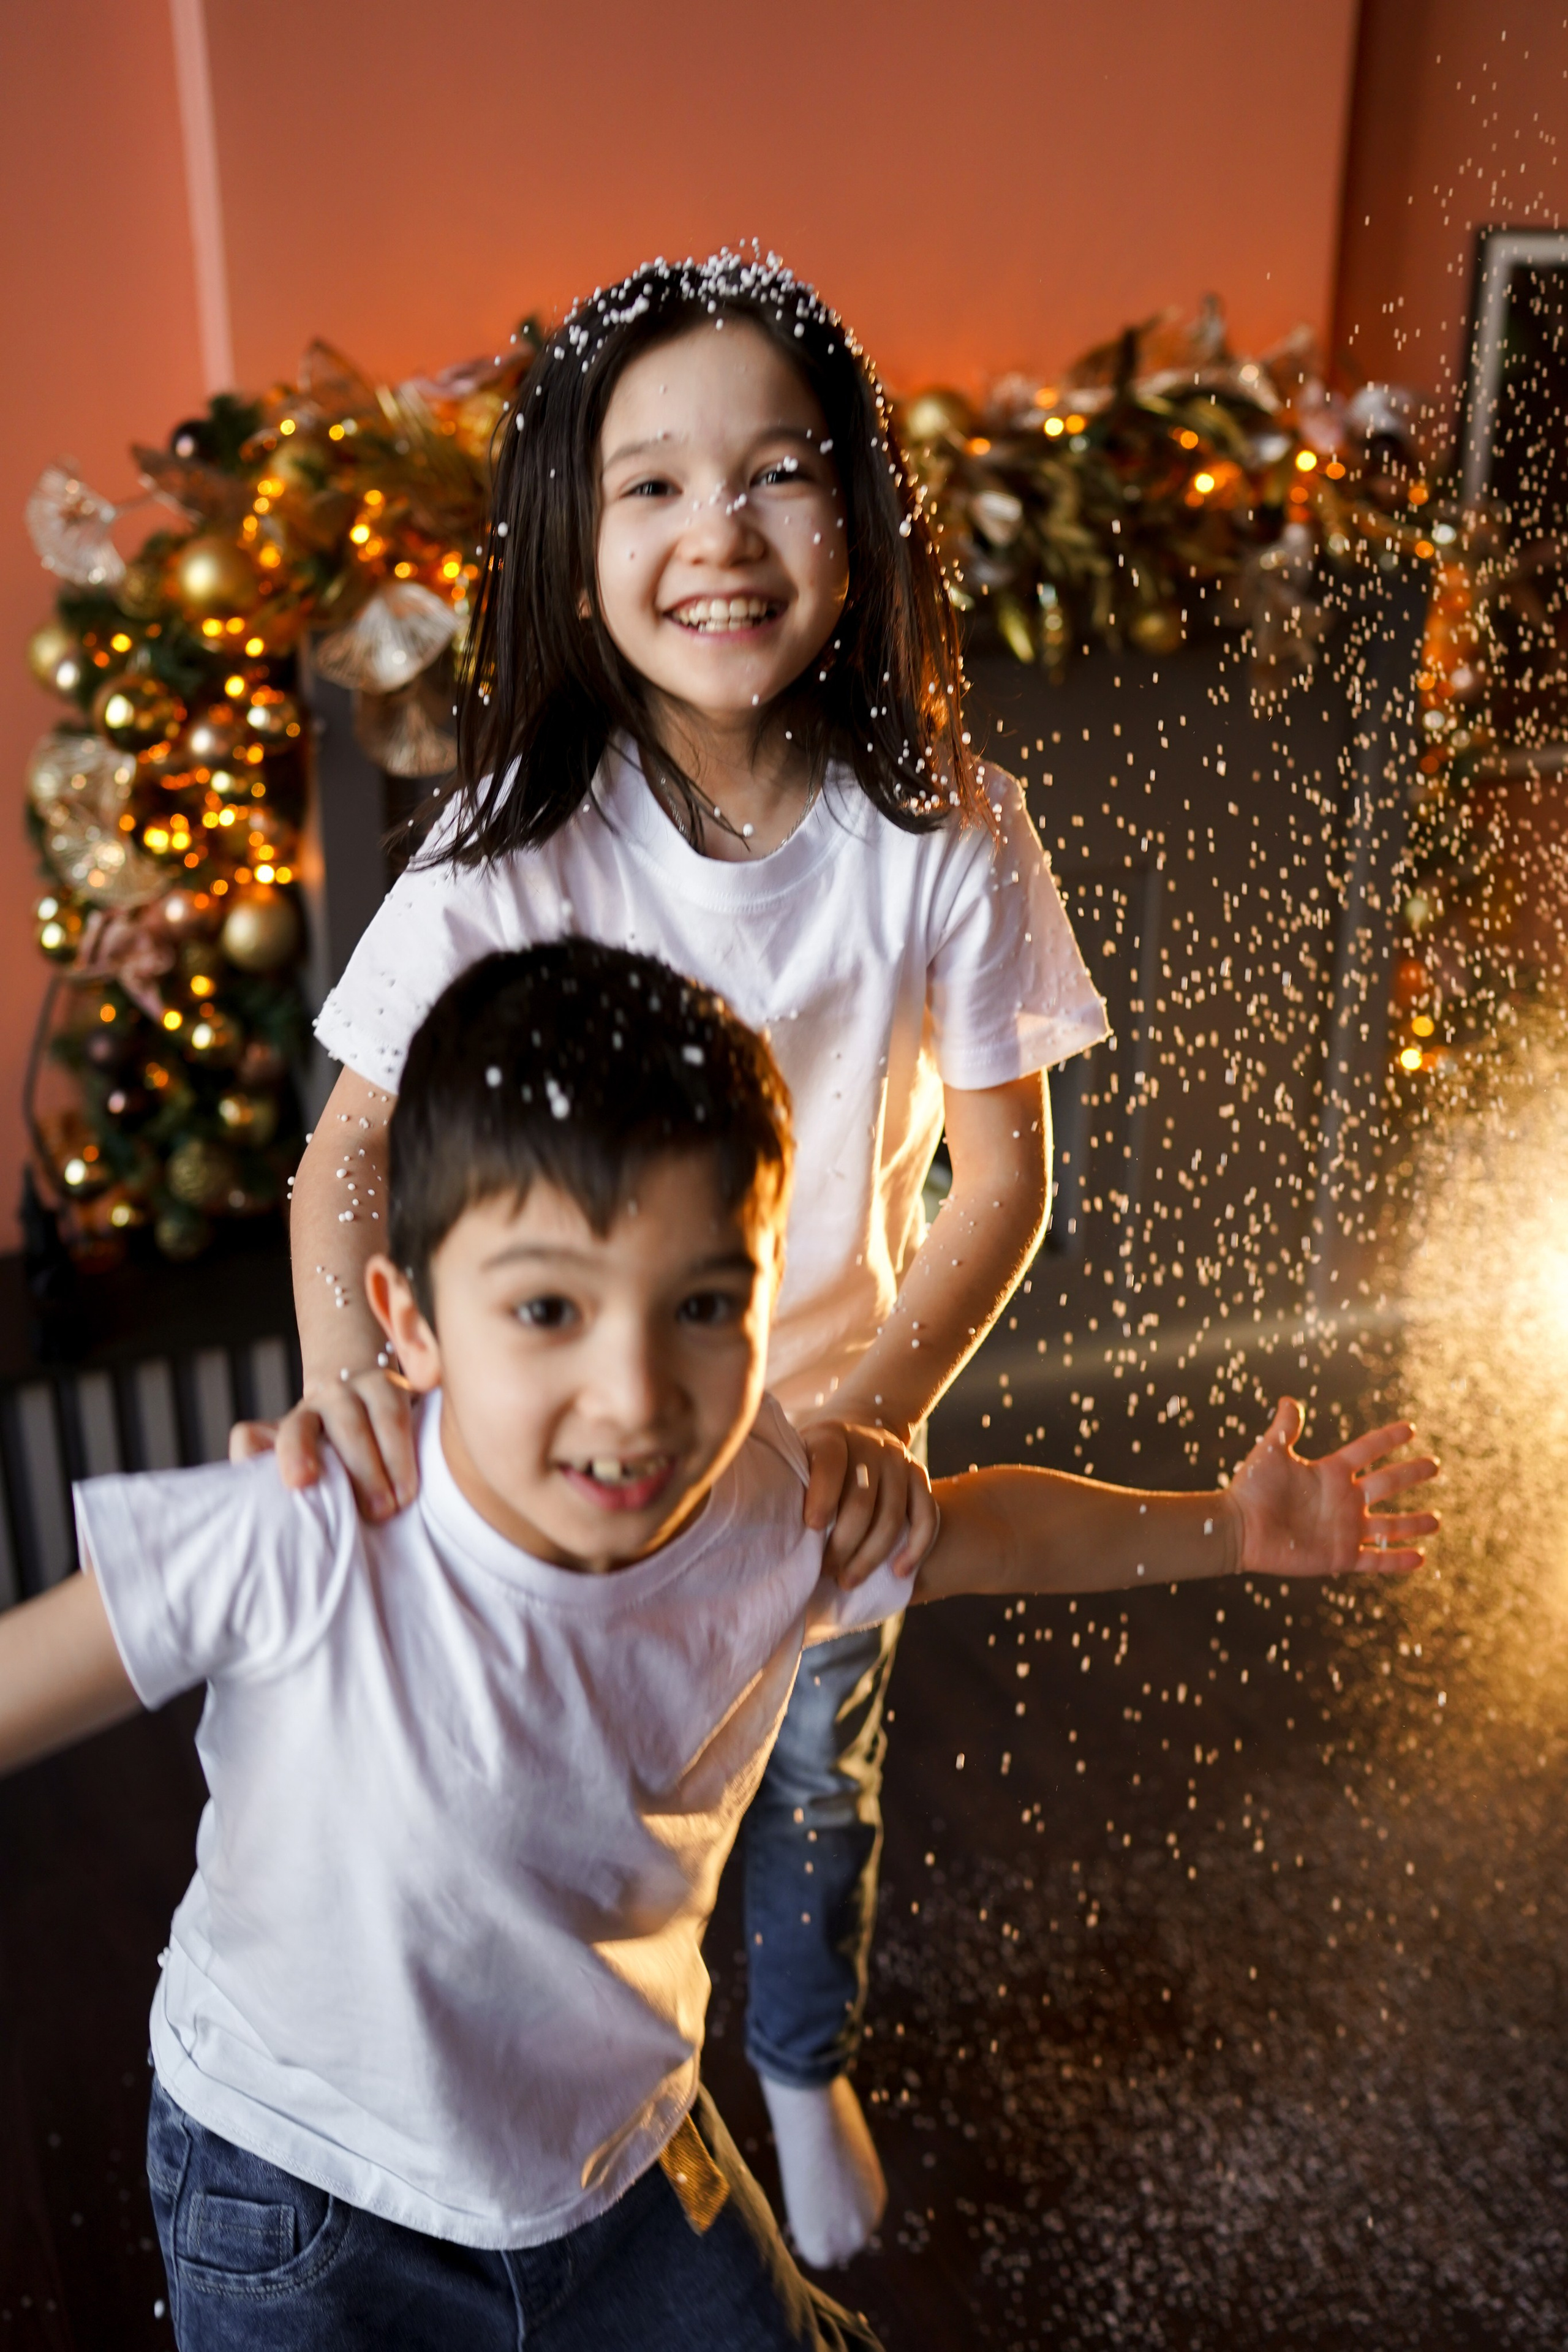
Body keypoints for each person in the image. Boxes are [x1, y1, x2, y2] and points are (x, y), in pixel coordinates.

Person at [1, 943, 1438, 2351]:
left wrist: (1230, 1527)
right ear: (411, 1322)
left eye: (701, 1306)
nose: (631, 1396)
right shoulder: (311, 1521)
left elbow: (983, 1536)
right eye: (546, 1309)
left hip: (612, 2152)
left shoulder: (761, 1504)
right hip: (303, 2189)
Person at [241, 250, 1109, 2263]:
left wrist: (859, 1427)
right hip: (544, 1473)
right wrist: (362, 1399)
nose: (717, 533)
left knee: (806, 1806)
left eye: (779, 475)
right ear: (575, 537)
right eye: (650, 486)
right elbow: (341, 1163)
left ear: (860, 522)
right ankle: (542, 2114)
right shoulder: (508, 855)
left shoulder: (951, 836)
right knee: (546, 1815)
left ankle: (796, 2061)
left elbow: (1001, 1180)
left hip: (802, 1470)